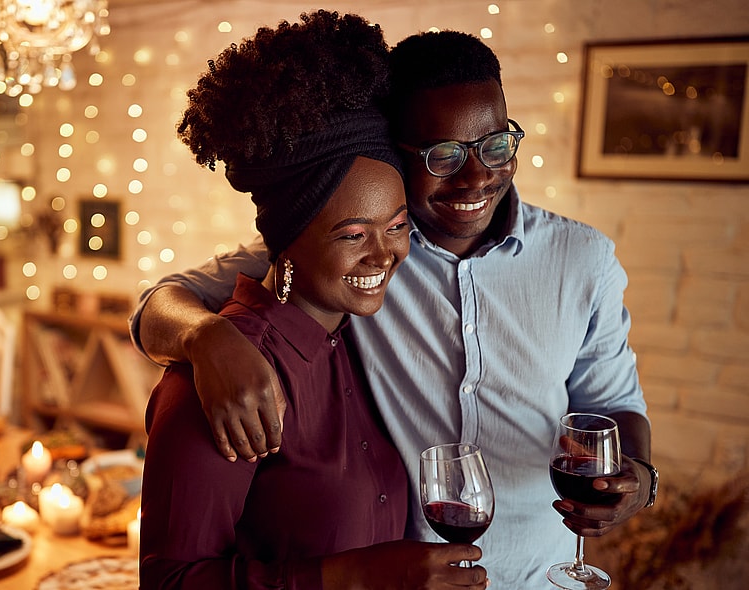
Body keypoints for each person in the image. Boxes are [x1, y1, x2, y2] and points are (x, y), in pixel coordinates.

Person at [131, 29, 656, 588]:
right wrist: (204, 339)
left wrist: (640, 482)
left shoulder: (583, 258)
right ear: (400, 151)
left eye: (496, 145)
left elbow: (613, 400)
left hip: (542, 575)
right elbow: (157, 305)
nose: (477, 176)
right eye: (443, 155)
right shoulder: (339, 254)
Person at [140, 11, 488, 590]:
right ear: (282, 241)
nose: (384, 256)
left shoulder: (366, 341)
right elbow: (170, 581)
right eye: (352, 234)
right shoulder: (224, 384)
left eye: (397, 226)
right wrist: (351, 576)